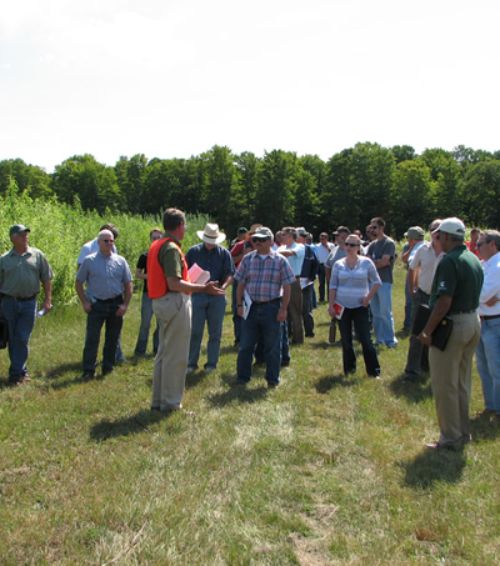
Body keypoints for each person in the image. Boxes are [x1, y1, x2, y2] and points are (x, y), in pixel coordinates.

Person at [147, 208, 224, 412]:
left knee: (163, 354)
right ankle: (171, 403)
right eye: (185, 225)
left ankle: (158, 401)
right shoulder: (171, 248)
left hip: (161, 302)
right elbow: (174, 283)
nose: (185, 229)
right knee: (176, 355)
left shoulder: (157, 244)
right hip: (173, 302)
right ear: (180, 226)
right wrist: (203, 288)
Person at [418, 217, 483, 450]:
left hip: (453, 323)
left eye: (437, 236)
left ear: (446, 236)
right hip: (472, 320)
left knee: (445, 384)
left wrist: (427, 331)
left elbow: (444, 301)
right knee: (461, 382)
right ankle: (463, 433)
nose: (436, 240)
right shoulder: (473, 258)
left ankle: (450, 437)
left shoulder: (449, 261)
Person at [235, 227, 295, 387]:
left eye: (262, 240)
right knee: (246, 345)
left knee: (273, 346)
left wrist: (283, 309)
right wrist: (239, 304)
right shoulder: (247, 259)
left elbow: (288, 286)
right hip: (251, 307)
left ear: (270, 241)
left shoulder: (280, 260)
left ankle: (272, 379)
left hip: (272, 307)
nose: (258, 243)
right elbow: (240, 283)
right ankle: (242, 378)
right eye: (255, 240)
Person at [76, 230, 133, 379]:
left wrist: (125, 305)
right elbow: (78, 282)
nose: (109, 244)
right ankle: (88, 370)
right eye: (105, 241)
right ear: (99, 242)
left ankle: (108, 367)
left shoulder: (121, 261)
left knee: (112, 338)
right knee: (92, 339)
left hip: (115, 304)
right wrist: (85, 302)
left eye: (111, 241)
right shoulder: (89, 261)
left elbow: (128, 284)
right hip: (96, 305)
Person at [0, 224, 52, 385]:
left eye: (26, 234)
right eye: (22, 235)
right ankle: (20, 371)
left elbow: (47, 278)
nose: (25, 237)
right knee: (13, 339)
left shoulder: (37, 255)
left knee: (22, 337)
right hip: (9, 302)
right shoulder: (4, 260)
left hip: (29, 302)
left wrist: (48, 299)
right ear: (13, 238)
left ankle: (16, 373)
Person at [328, 234, 381, 377]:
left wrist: (368, 298)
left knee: (365, 339)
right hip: (342, 306)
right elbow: (332, 286)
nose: (349, 248)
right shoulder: (338, 264)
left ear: (359, 247)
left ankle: (374, 371)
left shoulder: (366, 263)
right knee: (346, 340)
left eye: (353, 245)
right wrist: (331, 305)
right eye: (347, 244)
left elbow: (377, 282)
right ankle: (349, 370)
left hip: (360, 307)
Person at [186, 223, 234, 373]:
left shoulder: (224, 253)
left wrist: (222, 288)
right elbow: (185, 273)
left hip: (217, 296)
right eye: (208, 239)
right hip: (197, 295)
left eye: (213, 239)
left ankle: (211, 364)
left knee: (215, 332)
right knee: (195, 331)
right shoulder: (193, 252)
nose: (210, 243)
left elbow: (230, 274)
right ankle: (191, 363)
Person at [403, 220, 443, 381]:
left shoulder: (449, 252)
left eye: (439, 230)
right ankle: (412, 370)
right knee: (417, 333)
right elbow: (412, 267)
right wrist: (413, 288)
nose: (436, 233)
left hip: (441, 298)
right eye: (433, 229)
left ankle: (428, 366)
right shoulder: (423, 249)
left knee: (438, 333)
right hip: (423, 295)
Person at [475, 230, 500, 418]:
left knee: (496, 367)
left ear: (493, 244)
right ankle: (491, 405)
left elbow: (481, 294)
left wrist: (494, 298)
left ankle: (497, 407)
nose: (477, 248)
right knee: (483, 367)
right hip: (482, 320)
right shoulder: (484, 265)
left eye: (480, 244)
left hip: (495, 322)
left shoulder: (498, 266)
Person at [367, 217, 398, 348]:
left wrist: (373, 263)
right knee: (375, 312)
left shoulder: (388, 243)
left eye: (374, 227)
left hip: (384, 281)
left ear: (381, 228)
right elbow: (367, 262)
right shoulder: (372, 245)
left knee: (385, 312)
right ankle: (379, 338)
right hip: (372, 283)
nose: (372, 230)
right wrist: (375, 263)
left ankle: (390, 339)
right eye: (371, 227)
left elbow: (385, 262)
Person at [133, 228, 163, 357]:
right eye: (154, 238)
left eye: (158, 238)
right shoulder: (144, 256)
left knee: (160, 324)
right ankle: (140, 351)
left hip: (162, 294)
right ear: (150, 239)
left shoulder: (165, 255)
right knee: (145, 323)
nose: (156, 240)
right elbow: (138, 274)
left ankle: (157, 349)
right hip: (148, 294)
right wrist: (151, 276)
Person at [278, 227, 305, 344]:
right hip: (280, 281)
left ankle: (298, 338)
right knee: (283, 309)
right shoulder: (281, 247)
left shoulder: (299, 246)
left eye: (284, 234)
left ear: (290, 236)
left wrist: (272, 252)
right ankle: (286, 336)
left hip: (293, 281)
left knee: (295, 309)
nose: (281, 236)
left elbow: (289, 253)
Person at [401, 227, 425, 332]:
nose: (407, 240)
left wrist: (413, 287)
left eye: (408, 238)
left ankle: (413, 326)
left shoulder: (420, 248)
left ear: (412, 238)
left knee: (413, 301)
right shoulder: (417, 246)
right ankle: (408, 324)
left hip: (417, 279)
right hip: (417, 278)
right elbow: (403, 259)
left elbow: (413, 266)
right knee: (410, 302)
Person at [297, 227, 318, 338]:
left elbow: (315, 264)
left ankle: (309, 332)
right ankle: (293, 332)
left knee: (306, 309)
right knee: (293, 310)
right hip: (294, 282)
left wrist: (311, 276)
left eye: (305, 236)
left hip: (306, 283)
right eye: (302, 236)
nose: (305, 238)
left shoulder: (309, 249)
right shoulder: (290, 249)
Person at [313, 232, 334, 303]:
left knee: (329, 282)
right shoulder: (317, 246)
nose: (322, 240)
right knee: (321, 283)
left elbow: (333, 254)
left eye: (324, 238)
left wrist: (327, 247)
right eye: (321, 238)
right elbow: (315, 256)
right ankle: (321, 298)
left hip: (329, 266)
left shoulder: (331, 245)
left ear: (327, 238)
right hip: (321, 265)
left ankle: (329, 298)